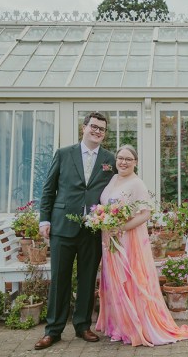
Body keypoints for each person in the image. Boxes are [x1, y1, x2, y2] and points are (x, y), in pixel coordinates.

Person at [95, 144, 188, 346]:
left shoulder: (137, 184)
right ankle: (119, 324)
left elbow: (145, 214)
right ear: (115, 160)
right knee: (115, 282)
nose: (123, 162)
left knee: (132, 280)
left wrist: (121, 227)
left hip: (128, 240)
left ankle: (136, 326)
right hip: (110, 240)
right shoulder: (113, 179)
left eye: (128, 159)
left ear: (135, 163)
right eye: (120, 158)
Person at [34, 112, 116, 350]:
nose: (97, 131)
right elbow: (48, 189)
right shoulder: (63, 154)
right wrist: (44, 220)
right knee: (59, 278)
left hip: (92, 229)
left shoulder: (109, 159)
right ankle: (53, 330)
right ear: (84, 128)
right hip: (62, 227)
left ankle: (82, 326)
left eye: (102, 129)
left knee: (87, 278)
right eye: (94, 126)